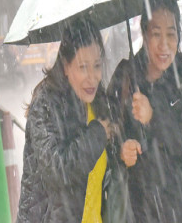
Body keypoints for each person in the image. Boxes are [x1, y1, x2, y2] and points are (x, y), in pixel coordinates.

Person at [107, 0, 182, 222]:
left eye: (171, 35)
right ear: (143, 34)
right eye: (156, 34)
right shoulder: (125, 75)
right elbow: (106, 129)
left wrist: (155, 115)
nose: (164, 45)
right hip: (136, 209)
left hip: (179, 209)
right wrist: (120, 150)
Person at [17, 18, 114, 222]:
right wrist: (96, 134)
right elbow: (57, 171)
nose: (92, 77)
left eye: (97, 66)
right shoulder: (46, 104)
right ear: (66, 66)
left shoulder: (100, 103)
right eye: (82, 67)